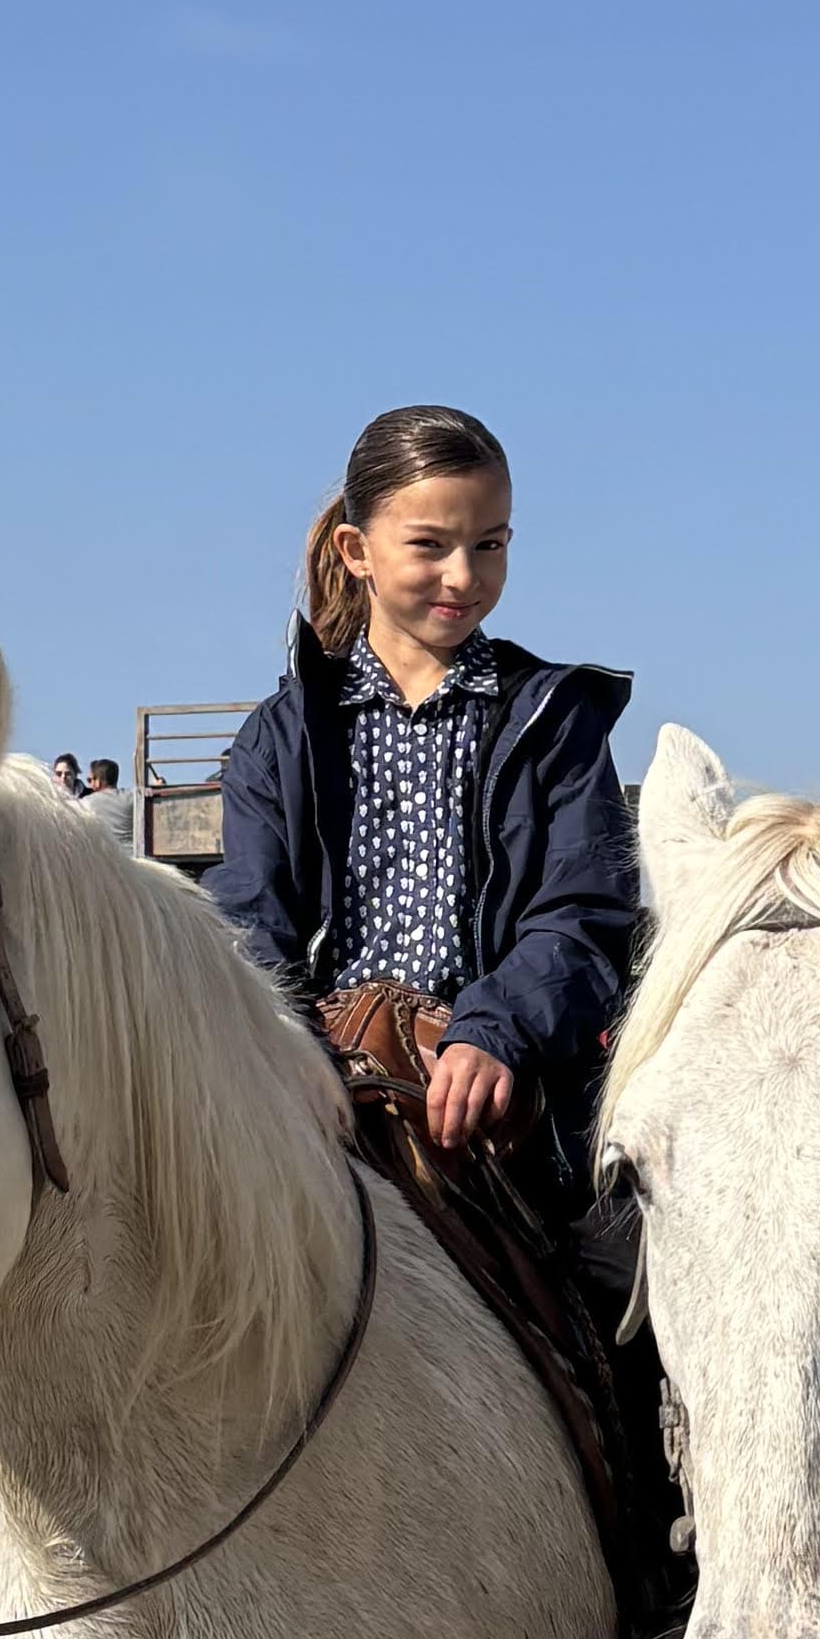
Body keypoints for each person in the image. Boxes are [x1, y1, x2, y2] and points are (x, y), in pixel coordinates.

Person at [213, 404, 638, 1215]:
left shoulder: (554, 718)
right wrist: (290, 1051)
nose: (464, 576)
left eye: (490, 545)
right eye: (429, 545)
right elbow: (246, 927)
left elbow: (583, 917)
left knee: (634, 1307)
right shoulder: (281, 736)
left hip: (510, 1111)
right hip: (317, 1101)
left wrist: (494, 1030)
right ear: (356, 551)